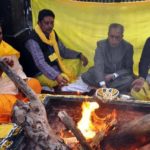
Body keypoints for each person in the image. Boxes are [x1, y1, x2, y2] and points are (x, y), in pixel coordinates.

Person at [24, 9, 88, 88]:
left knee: (77, 61)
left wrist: (79, 55)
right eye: (46, 23)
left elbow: (63, 51)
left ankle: (62, 79)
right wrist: (56, 76)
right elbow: (40, 63)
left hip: (55, 64)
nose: (50, 26)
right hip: (40, 72)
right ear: (39, 23)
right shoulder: (32, 40)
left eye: (52, 23)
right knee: (64, 79)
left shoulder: (52, 33)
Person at [62, 23, 134, 93]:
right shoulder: (101, 45)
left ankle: (98, 87)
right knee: (88, 75)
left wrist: (114, 75)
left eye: (117, 37)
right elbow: (98, 65)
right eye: (111, 36)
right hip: (102, 74)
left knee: (129, 80)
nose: (114, 40)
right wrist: (102, 83)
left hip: (117, 77)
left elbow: (128, 69)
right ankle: (109, 88)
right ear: (108, 34)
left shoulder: (128, 47)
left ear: (122, 36)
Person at [0, 24, 42, 123]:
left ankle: (23, 108)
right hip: (2, 93)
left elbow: (18, 70)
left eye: (0, 33)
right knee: (9, 105)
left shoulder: (6, 48)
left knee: (34, 84)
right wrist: (1, 68)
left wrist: (22, 83)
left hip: (13, 85)